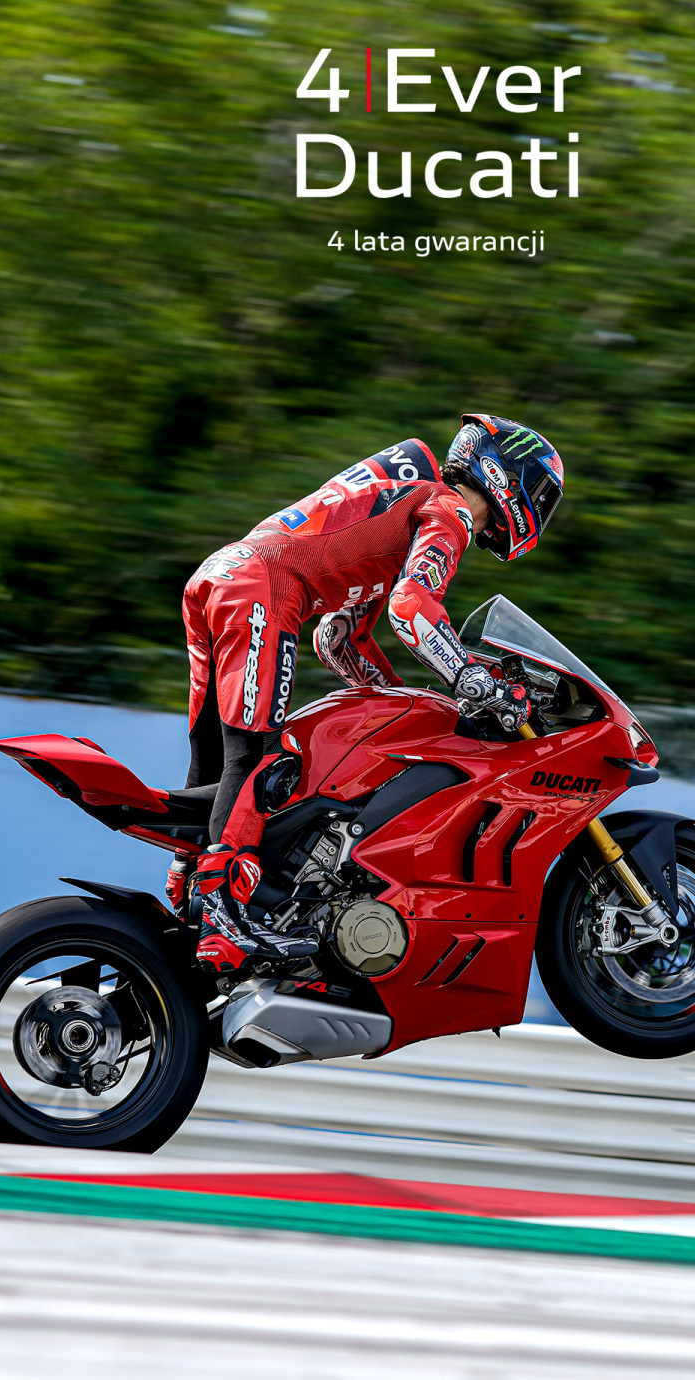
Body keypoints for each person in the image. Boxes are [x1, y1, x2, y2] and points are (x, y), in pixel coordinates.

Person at [169, 413, 564, 975]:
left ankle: (183, 889)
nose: (540, 509)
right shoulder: (448, 510)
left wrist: (397, 699)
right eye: (541, 493)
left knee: (212, 755)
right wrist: (474, 681)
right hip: (263, 589)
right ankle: (222, 914)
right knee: (257, 758)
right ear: (506, 475)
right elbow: (412, 608)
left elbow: (338, 638)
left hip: (221, 576)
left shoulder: (402, 509)